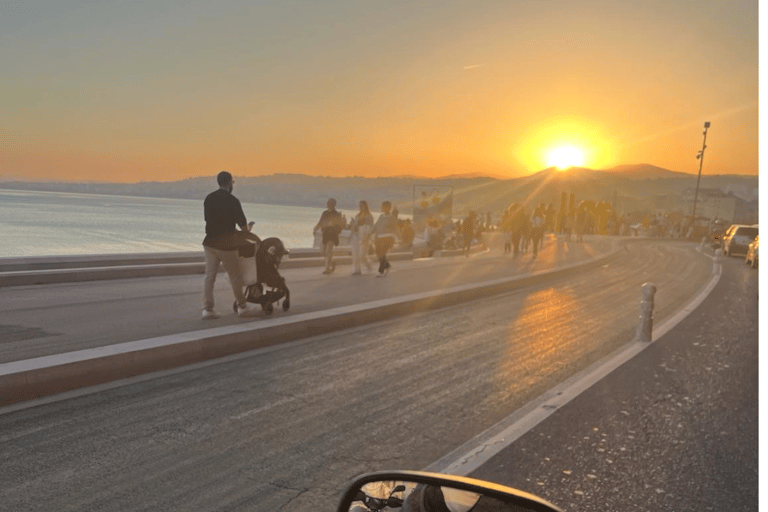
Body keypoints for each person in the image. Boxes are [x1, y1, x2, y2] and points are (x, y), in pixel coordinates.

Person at [201, 171, 260, 319]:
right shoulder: (233, 201)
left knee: (209, 277)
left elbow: (208, 220)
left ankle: (207, 309)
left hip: (209, 243)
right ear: (229, 183)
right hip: (226, 245)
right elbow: (243, 228)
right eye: (232, 182)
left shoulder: (209, 199)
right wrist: (248, 229)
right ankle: (242, 307)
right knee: (235, 276)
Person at [313, 198, 344, 274]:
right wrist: (315, 229)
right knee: (323, 251)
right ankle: (332, 262)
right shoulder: (325, 213)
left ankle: (327, 269)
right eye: (328, 203)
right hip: (325, 235)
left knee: (328, 251)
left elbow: (340, 226)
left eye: (330, 203)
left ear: (333, 204)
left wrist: (334, 227)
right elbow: (320, 222)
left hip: (332, 235)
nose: (328, 204)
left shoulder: (337, 214)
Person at [374, 200, 398, 276]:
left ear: (389, 207)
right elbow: (376, 226)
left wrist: (396, 238)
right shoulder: (381, 216)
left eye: (385, 206)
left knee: (382, 254)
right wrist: (372, 232)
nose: (383, 208)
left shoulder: (391, 217)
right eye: (383, 206)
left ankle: (381, 271)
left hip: (387, 238)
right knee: (379, 254)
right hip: (379, 238)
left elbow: (394, 228)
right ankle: (387, 265)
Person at [349, 200, 374, 275]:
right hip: (356, 235)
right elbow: (354, 226)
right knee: (355, 253)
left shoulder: (369, 216)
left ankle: (368, 264)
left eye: (362, 206)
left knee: (362, 254)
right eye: (360, 206)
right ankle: (357, 270)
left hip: (364, 236)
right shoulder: (358, 215)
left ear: (366, 206)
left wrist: (367, 237)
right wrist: (350, 234)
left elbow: (370, 227)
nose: (361, 207)